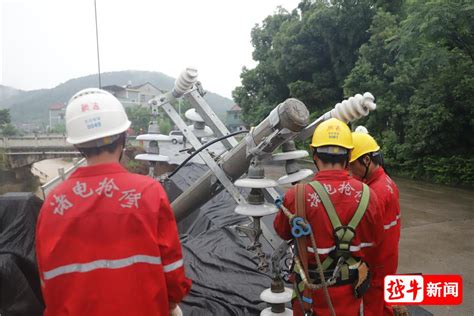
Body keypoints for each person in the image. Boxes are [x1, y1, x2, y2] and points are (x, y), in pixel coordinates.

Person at [35, 88, 191, 316]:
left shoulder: (53, 203)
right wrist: (170, 301)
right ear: (123, 136)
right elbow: (172, 273)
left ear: (78, 145)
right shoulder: (149, 192)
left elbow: (48, 283)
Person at [274, 118, 384, 315]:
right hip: (349, 295)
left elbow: (282, 231)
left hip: (309, 296)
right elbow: (374, 240)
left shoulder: (297, 196)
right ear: (349, 155)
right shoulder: (369, 196)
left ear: (315, 155)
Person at [349, 132, 401, 316]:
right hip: (387, 257)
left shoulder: (376, 193)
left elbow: (365, 235)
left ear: (366, 160)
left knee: (375, 308)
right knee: (383, 302)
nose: (349, 170)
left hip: (377, 262)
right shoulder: (385, 181)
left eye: (351, 164)